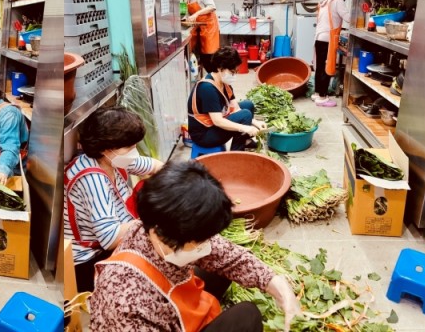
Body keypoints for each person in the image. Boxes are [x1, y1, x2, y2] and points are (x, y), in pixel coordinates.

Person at [89, 161, 301, 331]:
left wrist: (279, 286)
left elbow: (229, 256)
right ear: (162, 234)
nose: (209, 245)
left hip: (171, 306)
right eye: (200, 241)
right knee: (246, 317)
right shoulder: (125, 302)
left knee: (222, 266)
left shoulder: (161, 228)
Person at [64, 107, 164, 293]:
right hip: (88, 260)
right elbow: (109, 239)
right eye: (130, 147)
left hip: (117, 231)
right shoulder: (93, 179)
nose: (134, 152)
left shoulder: (116, 158)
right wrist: (155, 219)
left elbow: (156, 167)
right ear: (106, 148)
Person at [187, 47, 266, 151]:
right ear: (220, 68)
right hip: (204, 134)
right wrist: (245, 128)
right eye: (232, 72)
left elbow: (237, 109)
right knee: (245, 114)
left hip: (213, 124)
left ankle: (244, 141)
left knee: (247, 105)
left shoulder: (225, 83)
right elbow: (218, 121)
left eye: (235, 72)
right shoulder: (208, 88)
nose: (234, 75)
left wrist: (255, 123)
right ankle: (236, 151)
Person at [312, 0, 352, 107]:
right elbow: (347, 17)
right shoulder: (338, 0)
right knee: (327, 66)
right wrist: (360, 18)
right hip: (328, 37)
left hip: (319, 36)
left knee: (319, 66)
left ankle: (317, 93)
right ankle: (322, 98)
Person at [177, 0, 220, 66]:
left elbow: (212, 6)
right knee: (202, 58)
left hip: (209, 29)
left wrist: (196, 14)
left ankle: (215, 78)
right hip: (199, 29)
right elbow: (189, 14)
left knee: (210, 57)